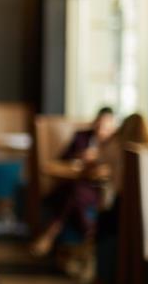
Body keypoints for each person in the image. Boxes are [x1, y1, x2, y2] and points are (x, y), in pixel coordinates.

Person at [30, 106, 116, 257]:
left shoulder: (113, 144)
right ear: (94, 122)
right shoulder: (81, 137)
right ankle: (90, 238)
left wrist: (98, 160)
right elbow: (62, 160)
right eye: (99, 123)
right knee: (73, 192)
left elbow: (112, 171)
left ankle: (51, 233)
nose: (101, 128)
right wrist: (79, 156)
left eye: (106, 125)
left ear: (113, 126)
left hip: (99, 189)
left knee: (71, 194)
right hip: (76, 184)